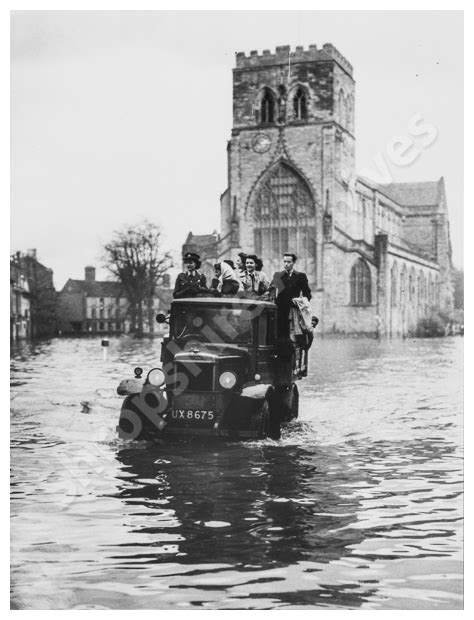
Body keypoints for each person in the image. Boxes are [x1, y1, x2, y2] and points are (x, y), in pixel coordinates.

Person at [270, 253, 312, 338]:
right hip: (280, 309)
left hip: (294, 309)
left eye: (289, 262)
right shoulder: (278, 275)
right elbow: (271, 291)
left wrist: (301, 302)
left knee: (294, 334)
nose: (286, 264)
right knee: (280, 333)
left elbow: (307, 293)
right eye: (284, 261)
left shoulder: (301, 276)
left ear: (294, 263)